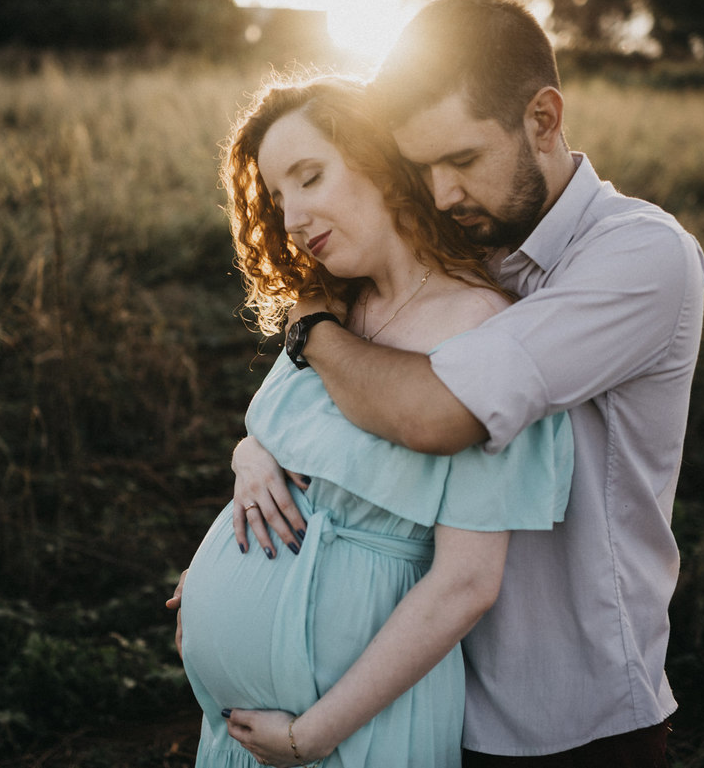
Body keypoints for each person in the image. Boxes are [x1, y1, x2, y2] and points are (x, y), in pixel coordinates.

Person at [218, 0, 704, 767]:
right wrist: (254, 458)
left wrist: (310, 324)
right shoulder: (459, 243)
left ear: (543, 119)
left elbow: (436, 412)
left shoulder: (640, 255)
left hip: (572, 716)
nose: (443, 193)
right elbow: (325, 426)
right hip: (431, 697)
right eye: (423, 166)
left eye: (463, 159)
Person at [176, 75, 573, 767]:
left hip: (355, 735)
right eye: (277, 196)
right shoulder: (328, 310)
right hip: (237, 736)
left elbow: (466, 583)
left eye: (310, 176)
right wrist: (251, 457)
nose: (293, 216)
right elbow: (277, 433)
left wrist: (313, 734)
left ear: (382, 164)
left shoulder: (484, 332)